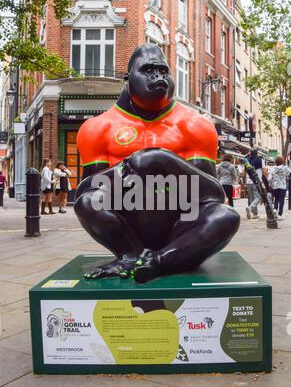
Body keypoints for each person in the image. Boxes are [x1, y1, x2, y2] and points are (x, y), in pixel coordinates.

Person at [74, 43, 240, 283]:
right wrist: (129, 167)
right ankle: (130, 255)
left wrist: (164, 160)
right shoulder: (97, 127)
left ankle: (160, 261)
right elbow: (86, 191)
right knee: (89, 202)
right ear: (128, 77)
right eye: (149, 70)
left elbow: (213, 196)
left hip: (181, 223)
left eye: (163, 71)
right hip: (126, 224)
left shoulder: (195, 125)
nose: (158, 76)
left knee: (225, 217)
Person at [245, 147, 265, 219]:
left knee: (251, 198)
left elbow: (245, 171)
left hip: (248, 181)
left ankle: (255, 214)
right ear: (257, 153)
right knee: (258, 197)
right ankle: (251, 207)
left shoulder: (246, 160)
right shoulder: (260, 159)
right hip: (257, 180)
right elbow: (264, 170)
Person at [269, 156, 290, 220]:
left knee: (276, 199)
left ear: (276, 162)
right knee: (281, 200)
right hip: (283, 187)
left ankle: (275, 209)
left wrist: (271, 183)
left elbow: (269, 178)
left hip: (275, 187)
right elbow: (289, 173)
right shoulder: (285, 167)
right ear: (282, 161)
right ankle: (280, 214)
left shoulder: (273, 168)